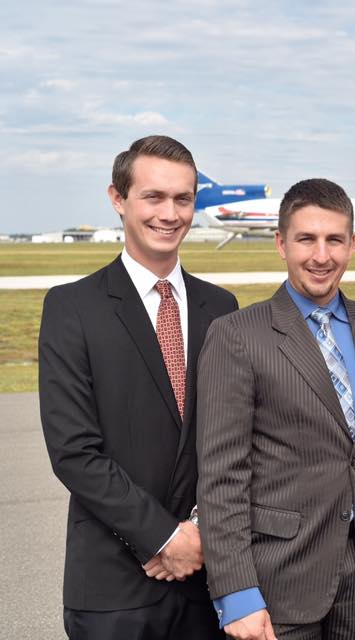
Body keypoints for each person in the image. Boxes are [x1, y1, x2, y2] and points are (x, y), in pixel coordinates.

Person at [196, 178, 355, 640]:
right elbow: (222, 476)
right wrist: (236, 592)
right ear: (281, 244)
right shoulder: (237, 335)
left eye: (334, 239)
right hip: (276, 581)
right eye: (306, 239)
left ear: (352, 245)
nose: (321, 255)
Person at [38, 135, 238, 639]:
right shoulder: (72, 308)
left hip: (208, 580)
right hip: (114, 588)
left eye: (183, 199)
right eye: (153, 197)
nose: (169, 214)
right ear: (117, 198)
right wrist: (163, 538)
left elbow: (231, 440)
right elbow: (74, 452)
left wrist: (199, 534)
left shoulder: (222, 308)